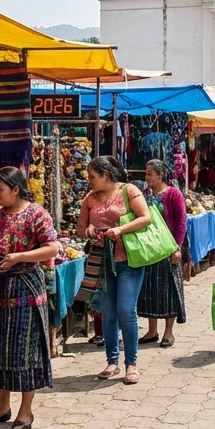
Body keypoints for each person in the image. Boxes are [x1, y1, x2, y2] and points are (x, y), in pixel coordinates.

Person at [0, 167, 61, 429]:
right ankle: (2, 406)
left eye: (1, 189)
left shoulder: (37, 214)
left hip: (25, 288)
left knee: (26, 350)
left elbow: (53, 247)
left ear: (16, 189)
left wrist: (19, 257)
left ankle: (26, 410)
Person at [77, 156, 153, 384]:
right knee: (108, 312)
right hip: (103, 261)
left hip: (129, 259)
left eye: (92, 176)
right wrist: (89, 231)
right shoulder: (89, 199)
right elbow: (80, 230)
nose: (89, 180)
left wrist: (120, 230)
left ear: (105, 176)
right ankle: (112, 361)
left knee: (126, 310)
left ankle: (132, 364)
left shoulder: (129, 191)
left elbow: (145, 218)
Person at [137, 159, 188, 348]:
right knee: (150, 290)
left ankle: (168, 332)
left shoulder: (173, 194)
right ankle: (152, 330)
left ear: (160, 175)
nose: (146, 177)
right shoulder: (145, 194)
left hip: (167, 249)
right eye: (146, 173)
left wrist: (177, 248)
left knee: (169, 290)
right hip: (150, 250)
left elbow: (182, 222)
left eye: (150, 173)